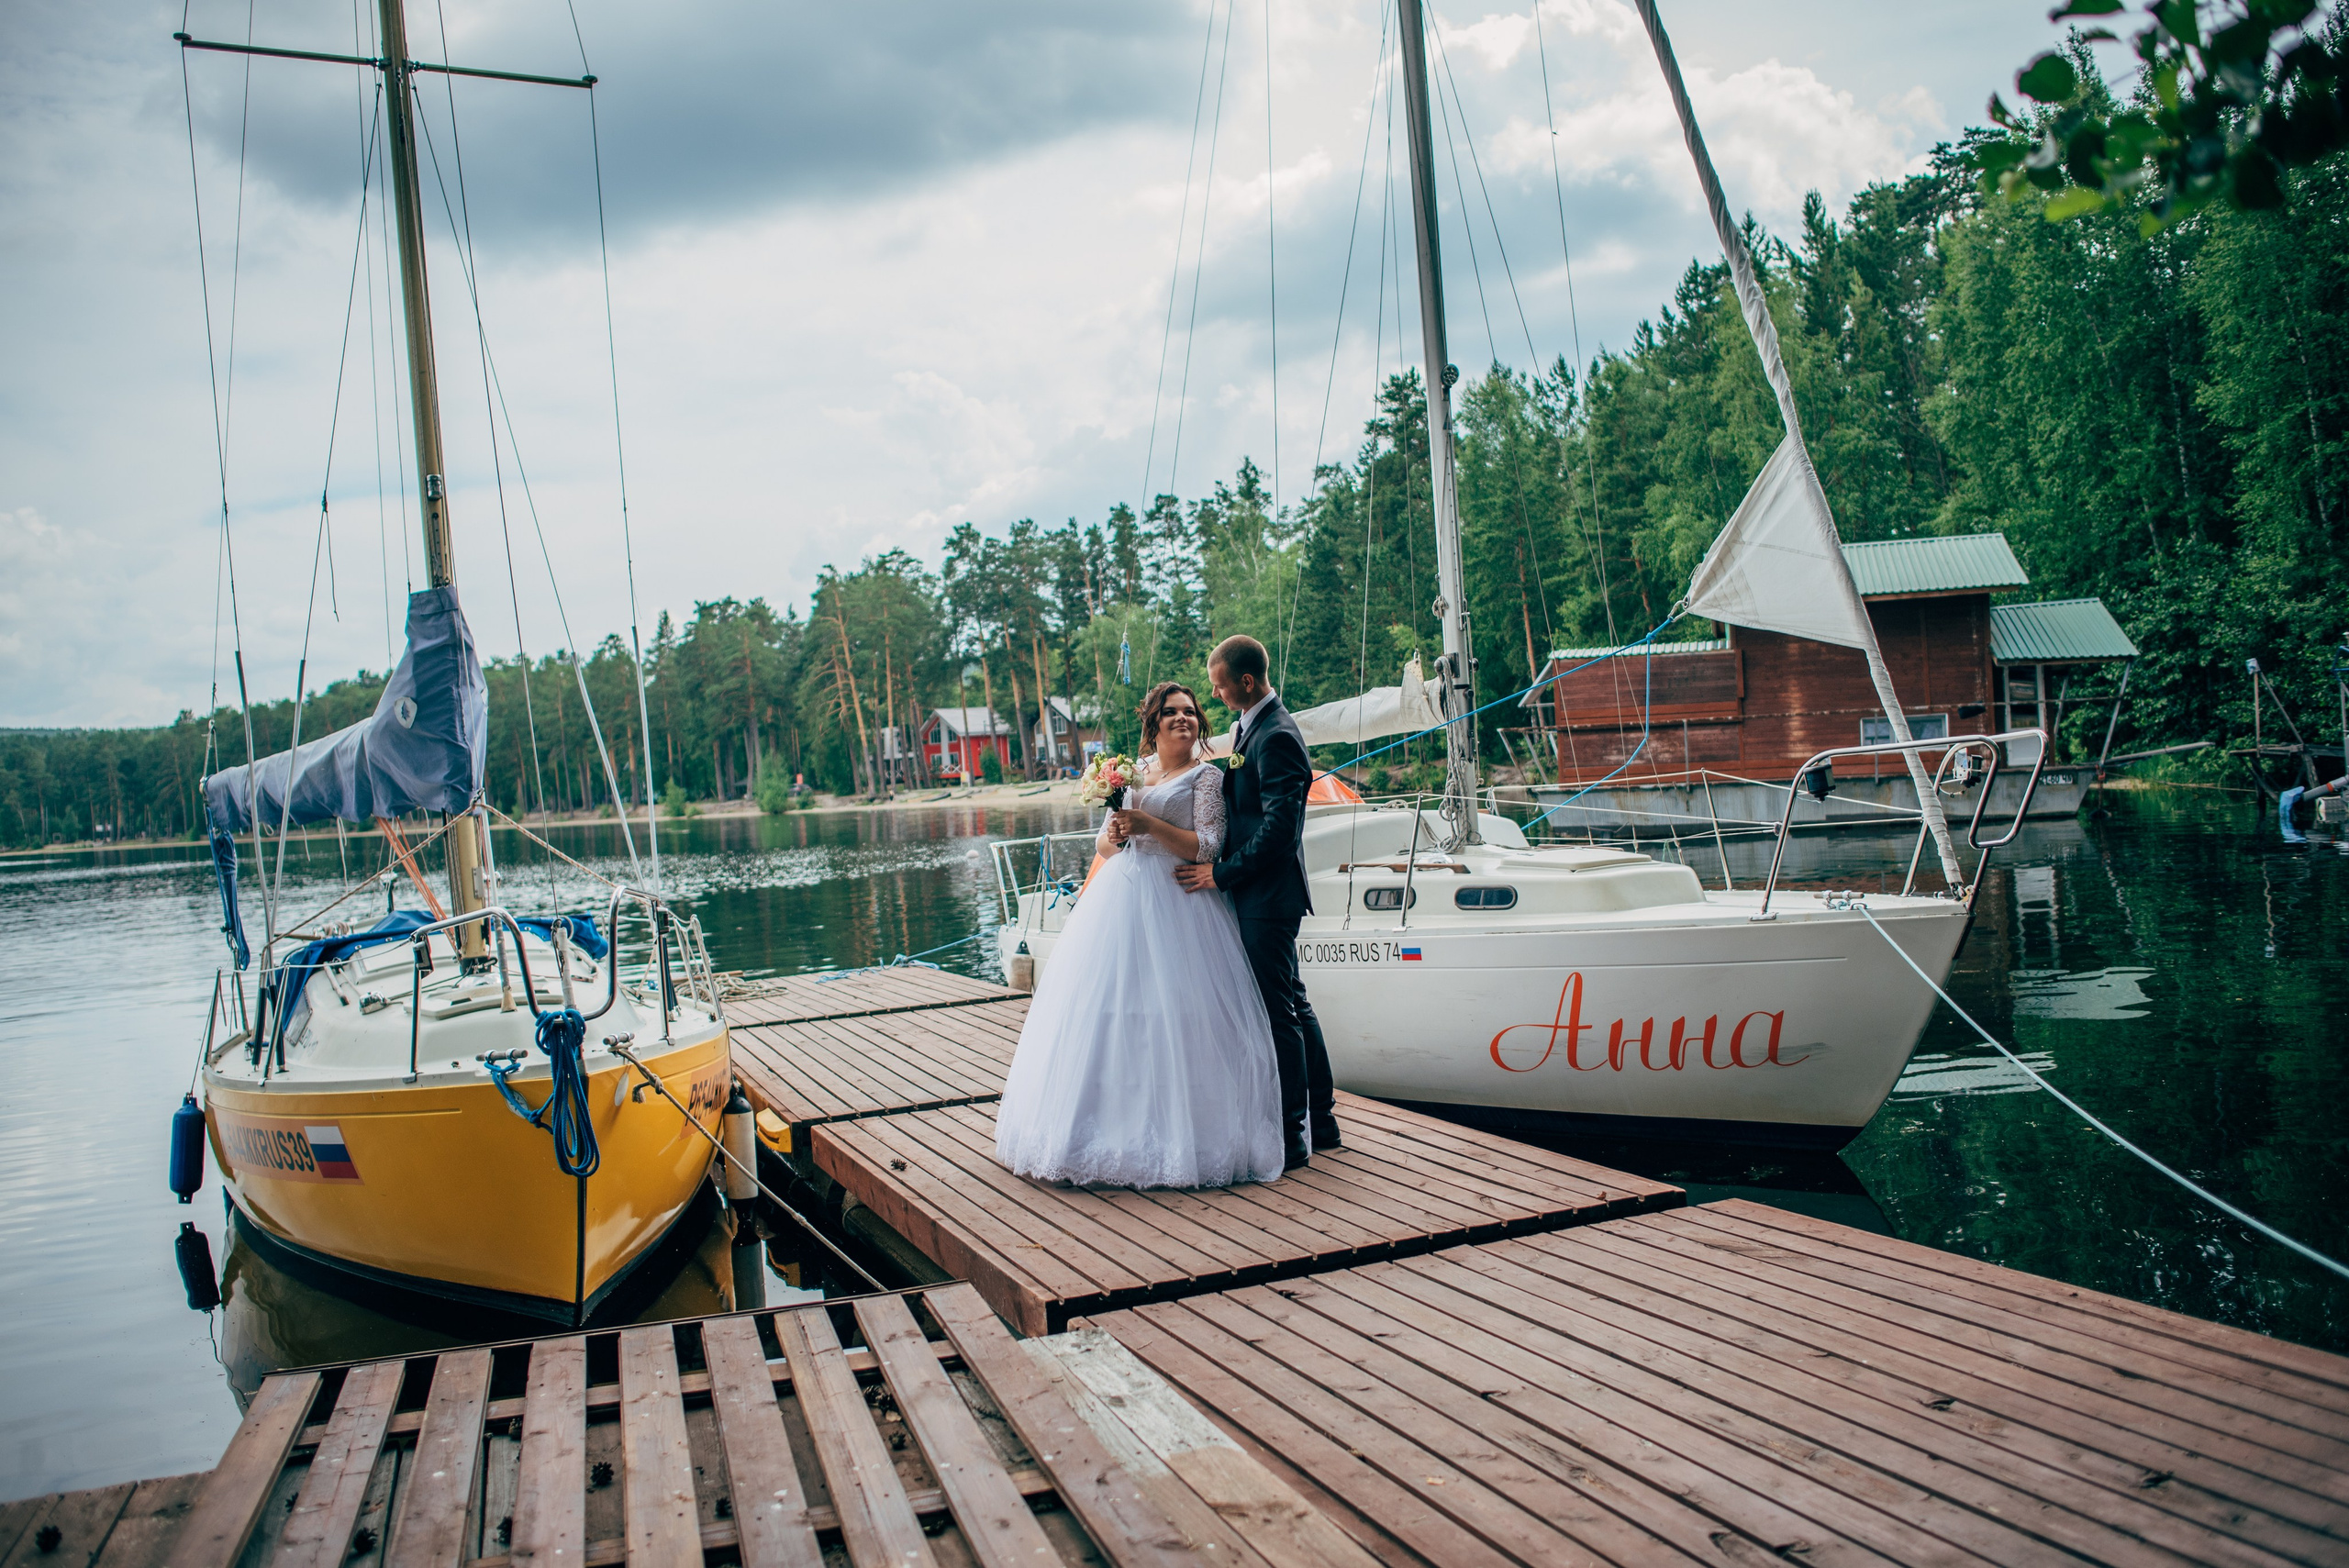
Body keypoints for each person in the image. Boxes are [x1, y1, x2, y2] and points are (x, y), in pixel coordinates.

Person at [994, 682, 1285, 1187]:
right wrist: (1118, 832)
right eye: (1171, 712)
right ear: (1154, 722)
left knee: (1180, 1014)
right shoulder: (1130, 773)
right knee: (1108, 1013)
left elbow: (1210, 847)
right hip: (1121, 899)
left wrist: (1147, 824)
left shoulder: (1207, 777)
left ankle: (1187, 1136)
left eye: (1190, 712)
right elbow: (1107, 848)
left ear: (1199, 722)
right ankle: (1097, 1128)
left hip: (1181, 902)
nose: (1182, 719)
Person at [1174, 634, 1340, 1171]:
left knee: (1278, 1015)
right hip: (1262, 892)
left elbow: (1279, 832)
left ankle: (1295, 1133)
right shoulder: (1253, 728)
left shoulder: (1278, 736)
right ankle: (1324, 1119)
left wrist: (1221, 874)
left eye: (1220, 686)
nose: (1216, 696)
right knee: (1294, 1001)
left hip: (1267, 894)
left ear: (1246, 681)